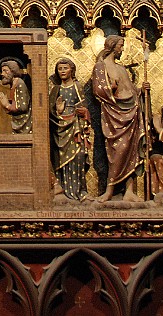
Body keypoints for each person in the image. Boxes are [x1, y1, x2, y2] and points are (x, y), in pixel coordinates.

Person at [91, 34, 145, 202]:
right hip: (114, 114)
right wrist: (110, 88)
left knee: (132, 151)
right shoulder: (100, 66)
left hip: (131, 111)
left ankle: (129, 190)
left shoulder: (121, 69)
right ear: (113, 46)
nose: (122, 49)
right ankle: (109, 190)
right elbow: (98, 90)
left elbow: (130, 89)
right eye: (120, 45)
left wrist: (141, 91)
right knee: (117, 151)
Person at [49, 57, 92, 201]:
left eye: (65, 68)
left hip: (74, 126)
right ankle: (62, 189)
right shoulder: (56, 89)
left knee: (78, 156)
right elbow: (49, 112)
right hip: (59, 129)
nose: (62, 71)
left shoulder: (76, 86)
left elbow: (84, 106)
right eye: (60, 69)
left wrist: (80, 111)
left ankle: (80, 191)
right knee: (59, 159)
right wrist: (58, 110)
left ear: (72, 70)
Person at [0, 59, 32, 134]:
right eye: (2, 71)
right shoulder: (14, 84)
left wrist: (7, 105)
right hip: (17, 121)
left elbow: (23, 106)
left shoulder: (20, 83)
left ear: (13, 71)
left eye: (5, 71)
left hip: (24, 124)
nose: (2, 74)